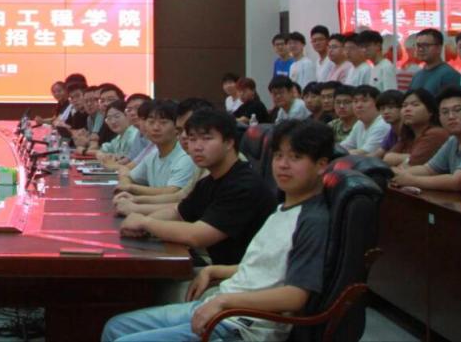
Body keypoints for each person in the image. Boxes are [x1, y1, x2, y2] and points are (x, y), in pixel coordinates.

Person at [103, 120, 334, 342]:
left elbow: (295, 296)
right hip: (225, 306)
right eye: (278, 156)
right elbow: (267, 267)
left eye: (295, 157)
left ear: (321, 165)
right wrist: (215, 270)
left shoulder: (312, 219)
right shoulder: (284, 208)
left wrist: (224, 301)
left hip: (242, 325)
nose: (283, 164)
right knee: (116, 326)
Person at [118, 109, 275, 267]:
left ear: (229, 142)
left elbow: (197, 236)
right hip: (217, 266)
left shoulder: (243, 185)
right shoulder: (209, 181)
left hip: (238, 275)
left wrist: (146, 223)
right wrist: (143, 224)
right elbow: (178, 212)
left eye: (206, 138)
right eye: (192, 139)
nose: (197, 147)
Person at [115, 101, 204, 216]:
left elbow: (173, 193)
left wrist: (132, 192)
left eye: (163, 122)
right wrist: (131, 196)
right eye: (151, 122)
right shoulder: (153, 154)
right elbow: (179, 197)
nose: (156, 128)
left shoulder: (187, 157)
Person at [392, 85, 461, 192]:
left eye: (457, 110)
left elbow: (458, 180)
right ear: (439, 117)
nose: (451, 116)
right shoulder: (453, 140)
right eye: (445, 112)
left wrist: (413, 181)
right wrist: (396, 174)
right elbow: (429, 169)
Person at [383, 89, 447, 167]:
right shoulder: (408, 135)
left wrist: (403, 158)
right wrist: (407, 157)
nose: (407, 109)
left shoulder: (436, 134)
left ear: (430, 111)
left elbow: (410, 165)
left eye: (415, 105)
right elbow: (387, 159)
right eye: (404, 105)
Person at [409, 28, 461, 95]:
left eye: (426, 45)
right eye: (418, 45)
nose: (421, 49)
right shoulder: (417, 75)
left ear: (439, 48)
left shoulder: (450, 75)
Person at [340, 85, 390, 155]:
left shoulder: (383, 124)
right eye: (355, 101)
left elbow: (364, 153)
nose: (358, 105)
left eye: (364, 101)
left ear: (377, 103)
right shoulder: (359, 123)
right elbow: (345, 145)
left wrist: (336, 153)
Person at [96, 100, 140, 165]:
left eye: (117, 116)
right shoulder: (119, 137)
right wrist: (101, 154)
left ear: (127, 115)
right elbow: (105, 148)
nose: (113, 122)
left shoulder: (134, 135)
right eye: (109, 118)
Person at [373, 89, 405, 159]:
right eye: (382, 109)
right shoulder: (392, 132)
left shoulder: (408, 131)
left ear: (402, 108)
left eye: (391, 107)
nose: (386, 112)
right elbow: (378, 154)